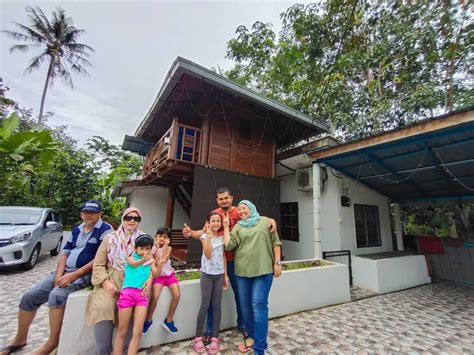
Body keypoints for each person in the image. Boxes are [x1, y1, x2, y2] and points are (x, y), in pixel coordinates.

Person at [0, 200, 112, 355]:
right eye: (86, 212)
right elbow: (65, 253)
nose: (89, 215)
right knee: (29, 297)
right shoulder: (77, 229)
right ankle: (20, 338)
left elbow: (101, 258)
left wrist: (74, 275)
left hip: (84, 273)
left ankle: (52, 342)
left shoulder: (106, 230)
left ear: (100, 214)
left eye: (93, 212)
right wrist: (59, 275)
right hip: (65, 270)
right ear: (81, 214)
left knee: (57, 295)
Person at [182, 187, 277, 343]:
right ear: (217, 200)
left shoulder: (239, 212)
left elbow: (254, 216)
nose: (224, 201)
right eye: (220, 199)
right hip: (217, 264)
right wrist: (191, 233)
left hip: (238, 262)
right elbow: (205, 231)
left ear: (232, 198)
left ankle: (244, 326)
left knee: (242, 297)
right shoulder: (215, 213)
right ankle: (210, 329)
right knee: (213, 300)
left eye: (226, 198)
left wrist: (270, 219)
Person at [85, 207, 154, 355]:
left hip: (136, 283)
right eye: (129, 217)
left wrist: (150, 280)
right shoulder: (110, 239)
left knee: (135, 317)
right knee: (103, 306)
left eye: (136, 218)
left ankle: (124, 350)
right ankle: (104, 351)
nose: (132, 221)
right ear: (123, 218)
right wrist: (105, 282)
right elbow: (98, 264)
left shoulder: (144, 240)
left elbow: (151, 264)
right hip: (111, 279)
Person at [223, 200, 282, 355]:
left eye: (244, 208)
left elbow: (276, 242)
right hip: (242, 273)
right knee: (245, 307)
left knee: (259, 306)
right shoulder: (237, 227)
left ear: (251, 208)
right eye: (240, 210)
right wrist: (226, 227)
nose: (242, 211)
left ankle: (259, 348)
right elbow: (228, 246)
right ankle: (251, 337)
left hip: (263, 271)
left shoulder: (265, 222)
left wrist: (277, 262)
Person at [113, 234, 158, 355]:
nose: (145, 251)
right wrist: (145, 259)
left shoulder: (151, 260)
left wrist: (160, 263)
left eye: (147, 248)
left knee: (137, 331)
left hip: (142, 295)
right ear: (136, 248)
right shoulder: (130, 257)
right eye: (142, 248)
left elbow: (156, 274)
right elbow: (134, 264)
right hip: (127, 294)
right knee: (122, 330)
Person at [193, 212, 228, 354]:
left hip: (219, 276)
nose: (216, 223)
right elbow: (207, 254)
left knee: (217, 306)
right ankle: (198, 338)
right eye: (213, 221)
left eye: (218, 221)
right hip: (207, 275)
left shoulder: (221, 238)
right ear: (208, 222)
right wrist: (207, 236)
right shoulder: (204, 236)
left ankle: (215, 338)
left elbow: (224, 256)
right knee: (204, 305)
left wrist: (225, 276)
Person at [143, 226, 180, 334]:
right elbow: (158, 262)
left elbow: (165, 259)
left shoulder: (169, 248)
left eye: (165, 237)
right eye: (160, 236)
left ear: (168, 239)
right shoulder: (153, 248)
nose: (162, 238)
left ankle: (169, 320)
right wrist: (158, 247)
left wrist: (165, 247)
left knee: (177, 295)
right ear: (155, 237)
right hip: (158, 277)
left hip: (169, 275)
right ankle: (148, 320)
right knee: (155, 296)